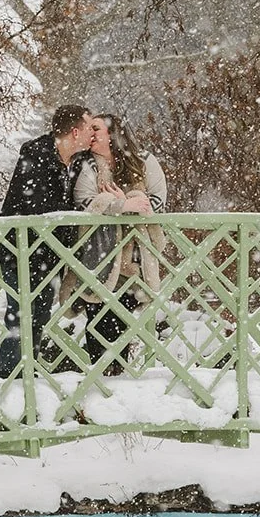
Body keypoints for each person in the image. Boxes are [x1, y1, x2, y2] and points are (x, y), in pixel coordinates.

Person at [0, 103, 95, 377]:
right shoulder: (37, 156)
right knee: (22, 315)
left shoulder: (74, 163)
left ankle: (27, 373)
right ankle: (10, 377)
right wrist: (87, 212)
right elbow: (41, 210)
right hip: (20, 250)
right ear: (75, 131)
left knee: (38, 316)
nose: (91, 135)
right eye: (88, 128)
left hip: (47, 255)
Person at [70, 114, 167, 370]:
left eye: (96, 129)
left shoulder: (144, 161)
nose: (90, 134)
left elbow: (156, 202)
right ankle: (101, 378)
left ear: (112, 134)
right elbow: (85, 203)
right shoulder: (89, 166)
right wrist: (121, 205)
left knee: (122, 320)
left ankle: (117, 375)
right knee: (98, 318)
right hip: (99, 256)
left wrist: (132, 201)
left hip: (134, 258)